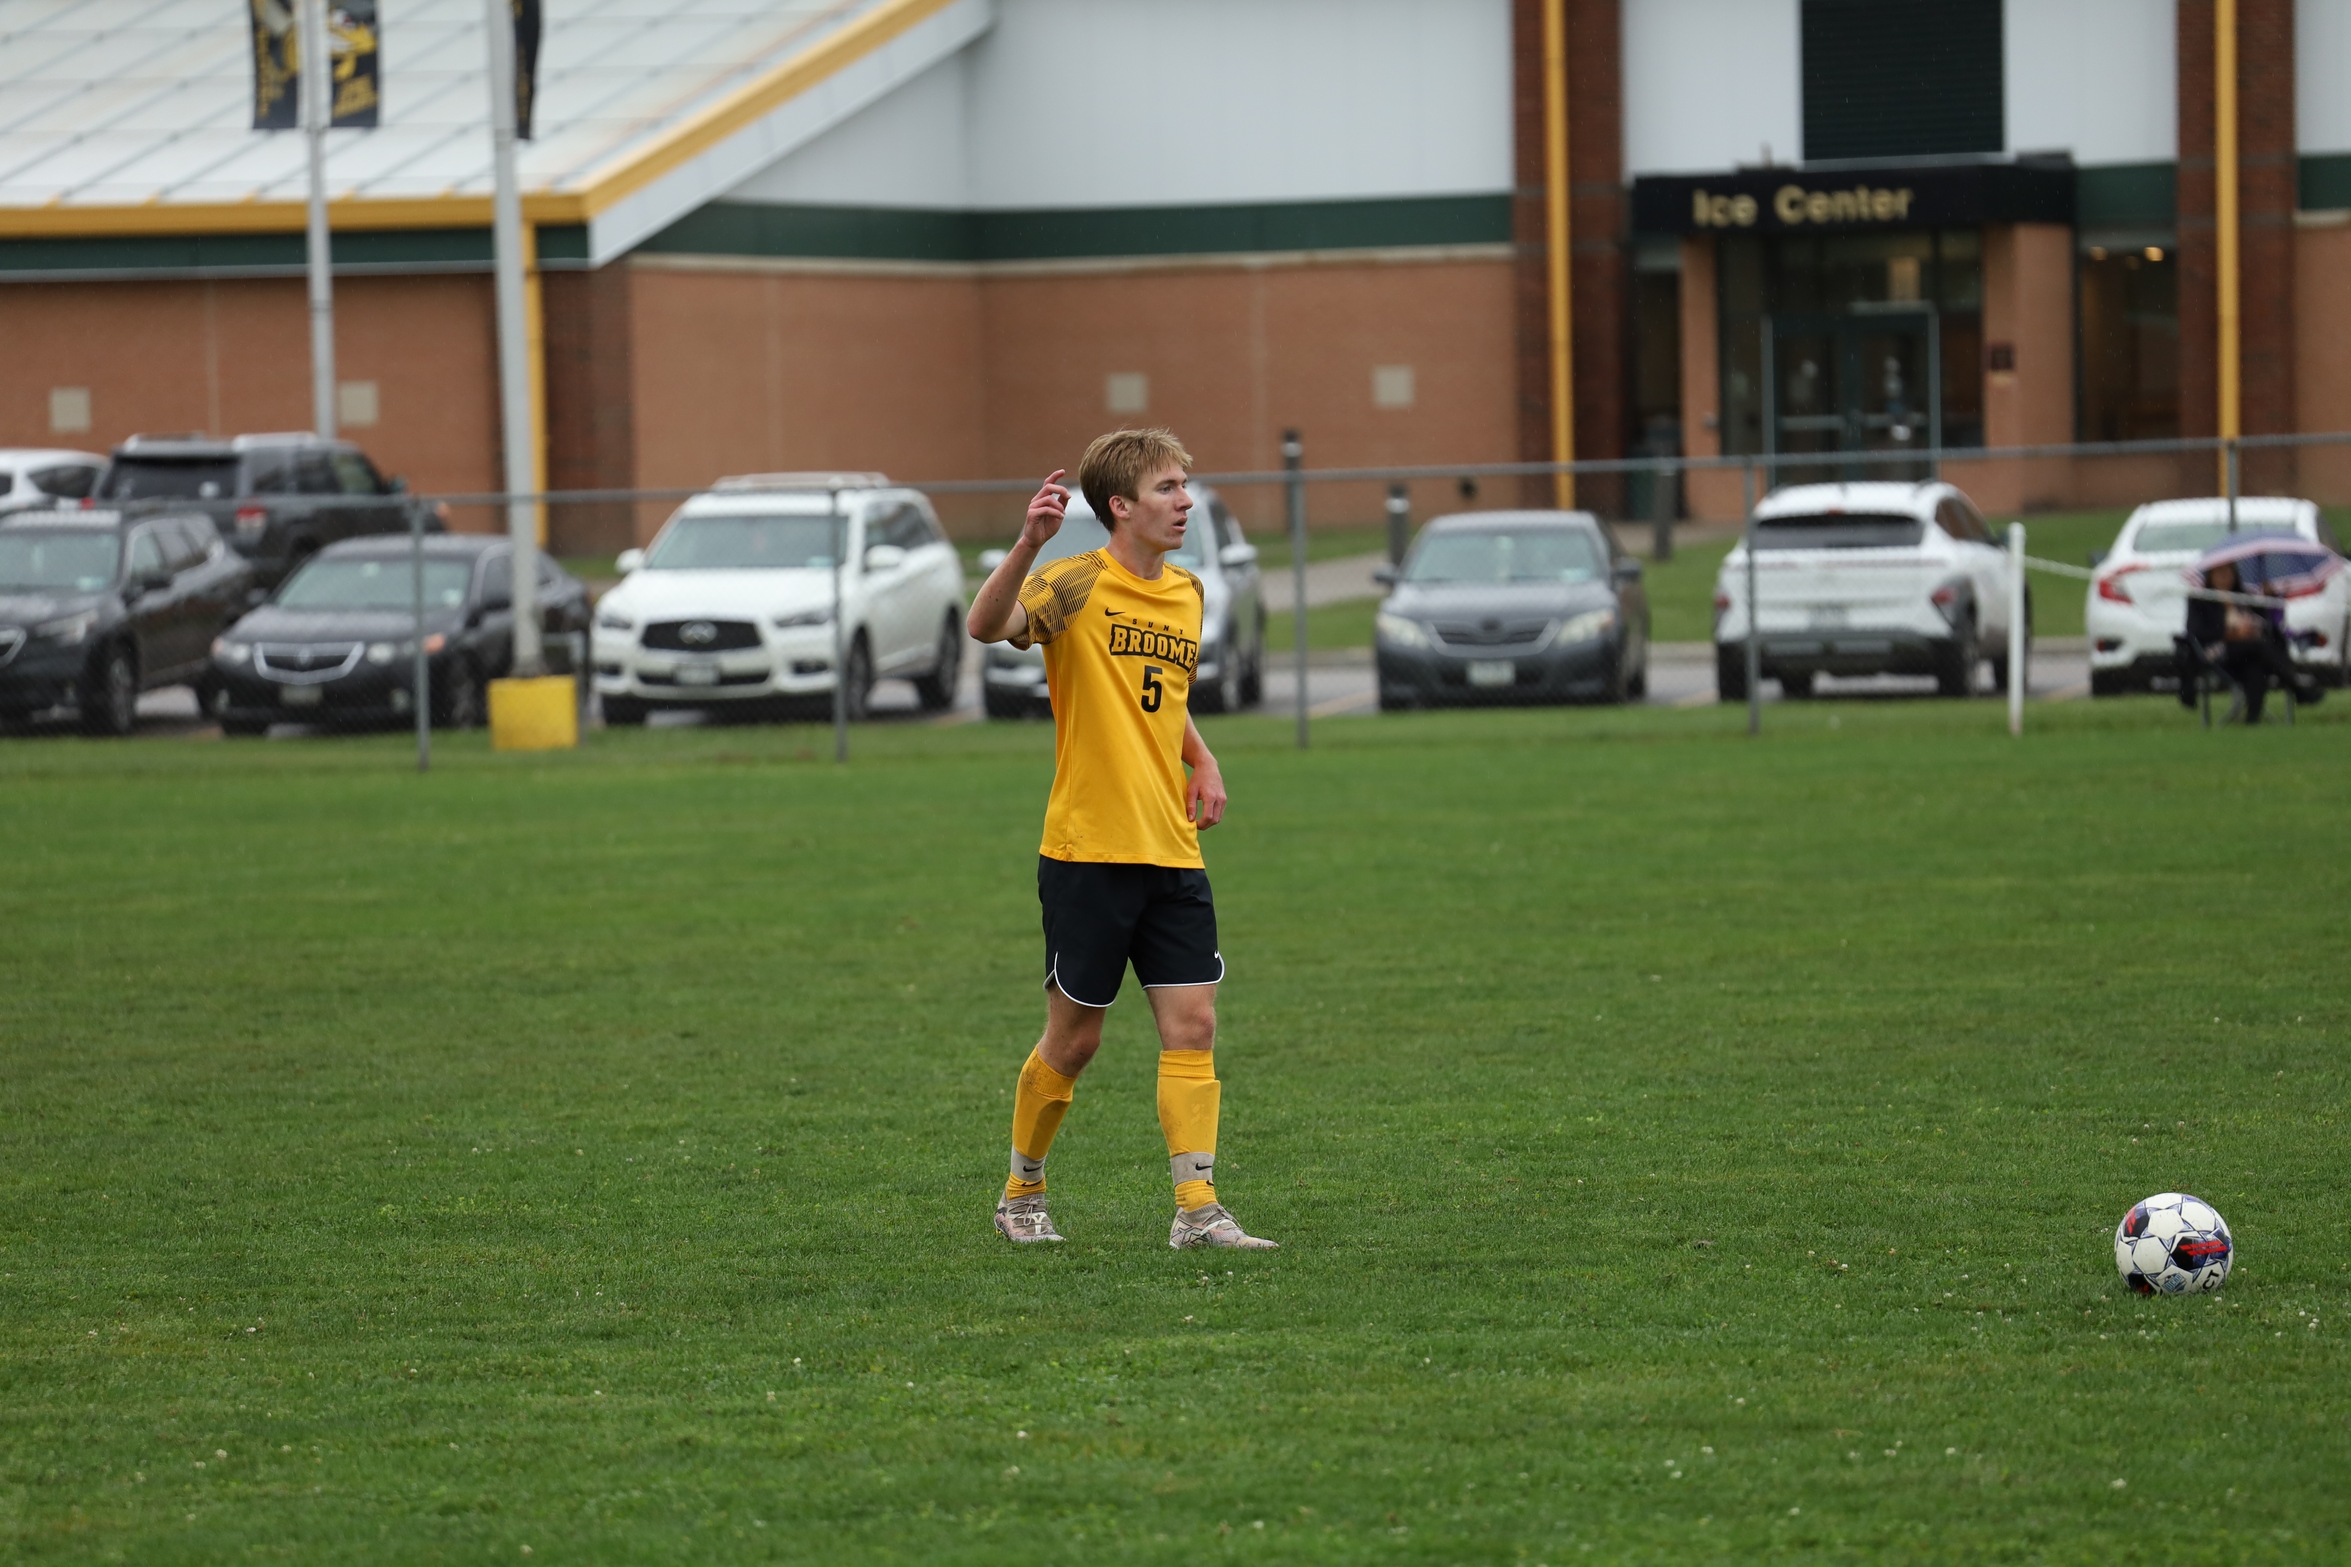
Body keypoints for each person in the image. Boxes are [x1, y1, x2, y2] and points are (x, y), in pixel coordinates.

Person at [965, 428, 1276, 1251]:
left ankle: (1198, 1208)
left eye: (1185, 486)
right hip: (1088, 851)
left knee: (1194, 1025)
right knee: (1076, 1037)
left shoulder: (1188, 593)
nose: (1185, 502)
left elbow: (1160, 700)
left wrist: (1201, 758)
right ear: (1121, 506)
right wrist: (1027, 544)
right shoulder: (1070, 584)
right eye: (1169, 488)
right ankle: (1020, 1192)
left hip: (1171, 847)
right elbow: (983, 624)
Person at [2178, 559, 2322, 723]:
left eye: (2229, 571)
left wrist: (2266, 597)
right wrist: (2230, 632)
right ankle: (2297, 687)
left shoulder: (2243, 597)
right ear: (2210, 576)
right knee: (2258, 648)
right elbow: (2196, 632)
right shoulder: (2201, 600)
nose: (2225, 576)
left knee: (2256, 665)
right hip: (2217, 652)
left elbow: (2265, 623)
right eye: (2220, 572)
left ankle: (2252, 718)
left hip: (2247, 651)